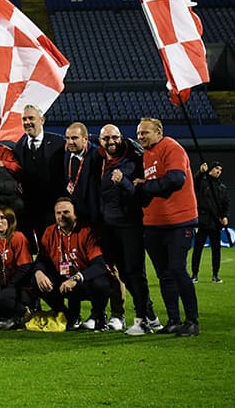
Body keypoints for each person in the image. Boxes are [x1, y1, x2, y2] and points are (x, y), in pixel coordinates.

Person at [134, 117, 200, 336]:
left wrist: (146, 186)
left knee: (177, 269)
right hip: (153, 223)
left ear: (159, 132)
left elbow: (176, 179)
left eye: (145, 132)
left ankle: (192, 321)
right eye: (139, 133)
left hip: (178, 222)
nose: (141, 136)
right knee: (164, 274)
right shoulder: (145, 155)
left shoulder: (171, 147)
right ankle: (173, 319)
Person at [97, 124, 161, 336]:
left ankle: (141, 319)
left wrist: (123, 182)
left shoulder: (134, 159)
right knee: (124, 272)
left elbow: (142, 194)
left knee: (135, 272)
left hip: (130, 224)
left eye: (114, 137)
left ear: (121, 138)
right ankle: (150, 315)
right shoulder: (98, 159)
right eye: (106, 138)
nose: (111, 142)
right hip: (109, 225)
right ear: (100, 141)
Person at [32, 198, 109, 330]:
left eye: (66, 212)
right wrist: (38, 272)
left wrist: (76, 278)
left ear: (75, 215)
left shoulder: (86, 232)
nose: (61, 216)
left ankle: (98, 316)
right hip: (62, 279)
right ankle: (66, 315)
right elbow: (42, 259)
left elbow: (99, 265)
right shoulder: (50, 232)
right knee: (35, 281)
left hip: (83, 280)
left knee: (100, 284)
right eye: (58, 213)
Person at [12, 104, 66, 250]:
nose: (27, 122)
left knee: (58, 244)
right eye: (24, 119)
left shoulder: (59, 143)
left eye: (31, 118)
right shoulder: (18, 147)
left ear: (42, 120)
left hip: (54, 206)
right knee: (39, 247)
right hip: (31, 207)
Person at [0, 206, 34, 329]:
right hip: (4, 287)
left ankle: (26, 311)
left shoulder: (18, 237)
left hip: (22, 288)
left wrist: (10, 286)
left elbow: (26, 266)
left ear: (10, 221)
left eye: (3, 218)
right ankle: (12, 318)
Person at [192, 161, 230, 284]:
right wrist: (200, 172)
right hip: (202, 222)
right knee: (197, 249)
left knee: (216, 250)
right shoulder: (202, 182)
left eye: (220, 170)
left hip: (215, 223)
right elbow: (193, 183)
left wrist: (225, 216)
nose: (219, 171)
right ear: (211, 170)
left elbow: (226, 204)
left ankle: (215, 275)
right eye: (216, 169)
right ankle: (194, 275)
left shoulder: (222, 187)